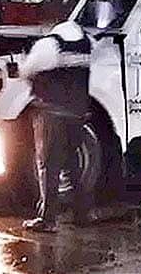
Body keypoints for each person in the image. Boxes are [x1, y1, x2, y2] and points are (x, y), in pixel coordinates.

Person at [18, 19, 93, 232]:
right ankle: (82, 214)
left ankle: (47, 219)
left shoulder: (50, 44)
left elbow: (27, 70)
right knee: (72, 165)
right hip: (78, 113)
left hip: (52, 113)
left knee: (48, 167)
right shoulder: (85, 43)